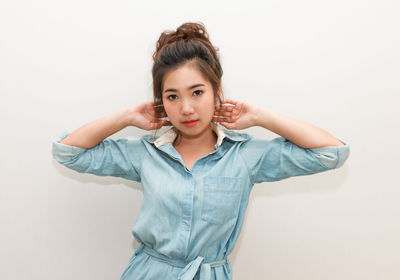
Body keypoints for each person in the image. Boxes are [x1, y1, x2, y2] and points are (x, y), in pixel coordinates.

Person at [52, 22, 350, 280]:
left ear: (216, 91)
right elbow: (68, 153)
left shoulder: (244, 156)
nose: (186, 108)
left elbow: (331, 152)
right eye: (172, 96)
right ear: (161, 102)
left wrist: (261, 116)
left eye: (197, 92)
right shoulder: (147, 154)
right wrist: (128, 116)